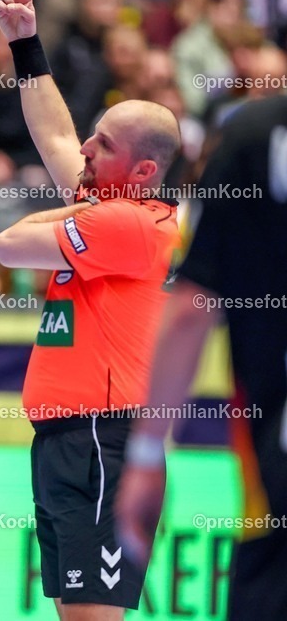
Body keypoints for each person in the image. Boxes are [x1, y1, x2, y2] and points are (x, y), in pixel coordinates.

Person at [0, 0, 182, 621]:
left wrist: (63, 216)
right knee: (77, 610)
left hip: (105, 436)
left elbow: (9, 242)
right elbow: (53, 136)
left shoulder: (134, 222)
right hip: (68, 435)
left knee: (94, 617)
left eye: (104, 143)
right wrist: (26, 44)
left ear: (145, 169)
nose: (88, 150)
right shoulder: (104, 203)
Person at [116, 94, 287, 620]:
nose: (86, 152)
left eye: (101, 143)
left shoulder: (257, 132)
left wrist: (147, 453)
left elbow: (193, 308)